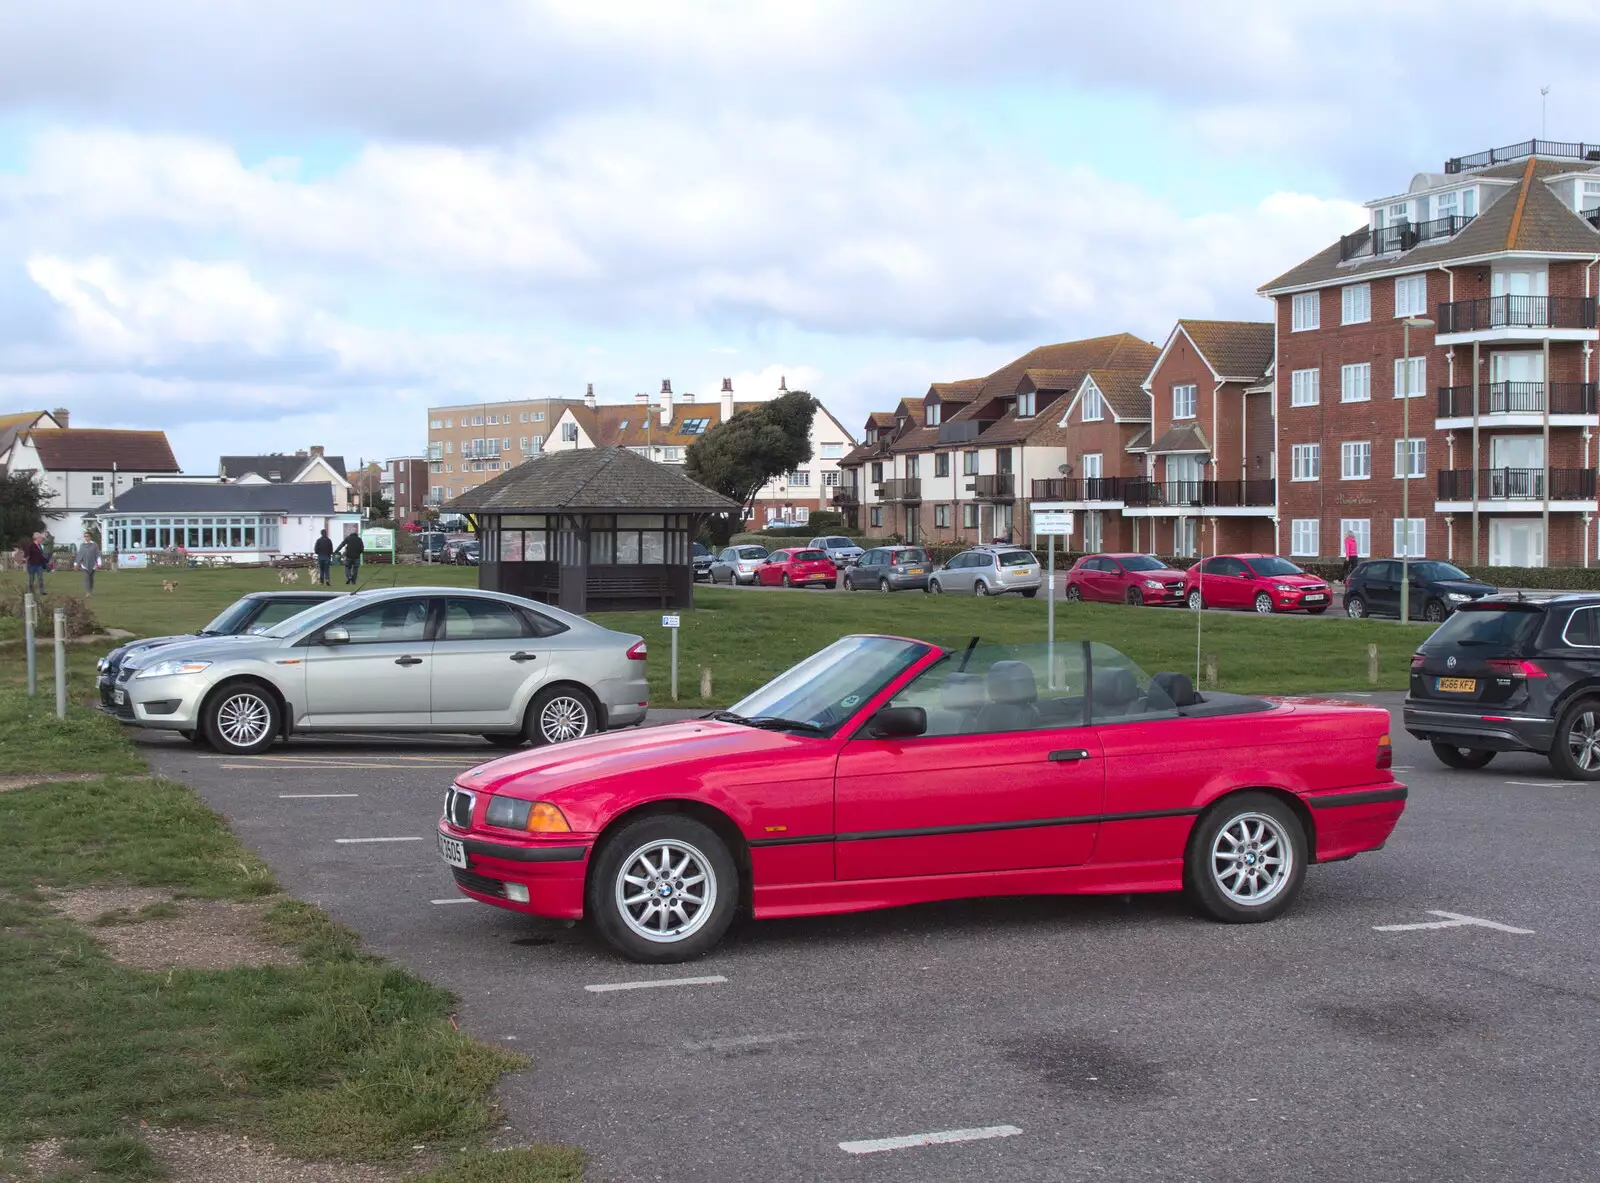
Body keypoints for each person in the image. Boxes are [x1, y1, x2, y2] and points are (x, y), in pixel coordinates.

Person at [24, 532, 49, 596]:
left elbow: (40, 555)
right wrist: (26, 564)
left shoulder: (40, 546)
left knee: (40, 578)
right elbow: (28, 555)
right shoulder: (31, 545)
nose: (41, 539)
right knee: (31, 579)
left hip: (39, 565)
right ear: (37, 538)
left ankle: (42, 591)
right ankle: (30, 592)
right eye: (40, 538)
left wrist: (46, 560)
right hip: (32, 565)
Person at [77, 532, 101, 596]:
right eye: (85, 536)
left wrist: (99, 563)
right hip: (84, 565)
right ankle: (88, 592)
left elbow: (97, 554)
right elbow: (80, 555)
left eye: (87, 536)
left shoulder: (94, 545)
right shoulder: (82, 545)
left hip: (93, 564)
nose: (86, 538)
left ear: (90, 537)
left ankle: (90, 590)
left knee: (91, 578)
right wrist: (76, 563)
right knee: (86, 578)